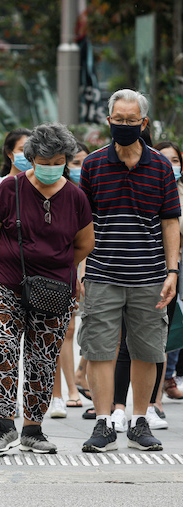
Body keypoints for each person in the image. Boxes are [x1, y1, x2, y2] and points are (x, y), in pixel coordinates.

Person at [0, 123, 95, 454]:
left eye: (59, 160)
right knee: (1, 348)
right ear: (32, 158)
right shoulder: (10, 188)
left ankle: (33, 429)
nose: (51, 165)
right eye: (44, 159)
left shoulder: (75, 197)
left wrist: (59, 266)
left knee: (42, 359)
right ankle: (3, 426)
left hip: (54, 291)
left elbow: (85, 244)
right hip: (6, 284)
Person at [78, 89, 181, 453]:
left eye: (131, 120)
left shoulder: (160, 166)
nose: (124, 126)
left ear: (144, 123)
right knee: (100, 349)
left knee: (147, 350)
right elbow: (82, 221)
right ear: (108, 121)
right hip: (103, 274)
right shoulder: (91, 165)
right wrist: (81, 269)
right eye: (118, 120)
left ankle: (139, 420)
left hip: (150, 275)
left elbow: (170, 222)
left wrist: (172, 271)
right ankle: (104, 422)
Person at [49, 139, 91, 417]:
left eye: (84, 163)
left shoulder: (91, 191)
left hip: (93, 267)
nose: (80, 168)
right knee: (63, 330)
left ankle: (80, 374)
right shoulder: (57, 192)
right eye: (75, 163)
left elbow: (88, 237)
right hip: (61, 269)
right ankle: (62, 393)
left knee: (96, 330)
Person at [156, 140, 183, 402]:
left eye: (175, 160)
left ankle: (168, 376)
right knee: (159, 327)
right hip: (154, 266)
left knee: (175, 324)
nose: (170, 165)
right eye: (165, 159)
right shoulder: (151, 186)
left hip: (176, 266)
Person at [0, 129, 33, 204]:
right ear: (9, 153)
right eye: (22, 150)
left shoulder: (42, 186)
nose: (27, 154)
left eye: (31, 150)